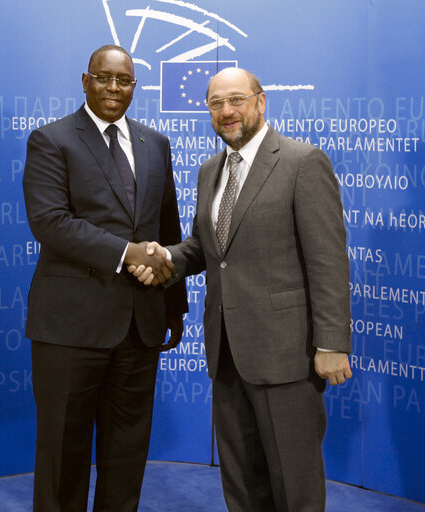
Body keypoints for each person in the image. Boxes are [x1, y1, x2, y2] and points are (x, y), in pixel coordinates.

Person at [130, 67, 352, 512]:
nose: (227, 112)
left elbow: (327, 261)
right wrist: (167, 259)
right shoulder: (211, 169)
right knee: (242, 484)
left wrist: (331, 343)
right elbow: (207, 247)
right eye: (216, 103)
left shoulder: (302, 161)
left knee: (295, 486)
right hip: (227, 352)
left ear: (260, 101)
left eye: (236, 100)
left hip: (287, 356)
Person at [22, 44, 188, 511]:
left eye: (125, 80)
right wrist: (127, 252)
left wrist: (174, 305)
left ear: (135, 86)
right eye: (105, 78)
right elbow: (50, 222)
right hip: (70, 327)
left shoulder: (154, 143)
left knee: (127, 452)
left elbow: (167, 228)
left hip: (141, 324)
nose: (115, 88)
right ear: (85, 80)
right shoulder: (51, 140)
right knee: (63, 454)